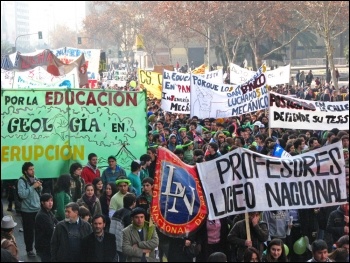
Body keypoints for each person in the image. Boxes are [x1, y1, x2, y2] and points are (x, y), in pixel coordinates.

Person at [17, 161, 42, 257]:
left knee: (40, 230)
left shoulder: (35, 178)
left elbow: (38, 192)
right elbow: (22, 194)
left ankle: (39, 248)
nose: (33, 171)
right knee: (29, 232)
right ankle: (29, 250)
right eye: (30, 169)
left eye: (33, 169)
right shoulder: (21, 181)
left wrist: (39, 186)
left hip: (37, 208)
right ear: (25, 171)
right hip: (27, 210)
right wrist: (33, 187)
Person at [110, 193, 136, 262]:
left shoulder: (117, 212)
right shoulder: (130, 214)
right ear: (133, 203)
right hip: (122, 245)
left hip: (113, 243)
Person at [35, 193, 58, 262]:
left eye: (51, 200)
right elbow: (51, 229)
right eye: (48, 201)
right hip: (44, 245)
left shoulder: (48, 212)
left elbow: (57, 222)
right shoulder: (42, 215)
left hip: (47, 244)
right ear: (42, 203)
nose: (50, 203)